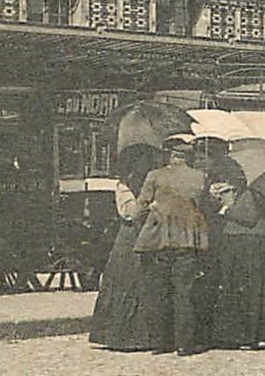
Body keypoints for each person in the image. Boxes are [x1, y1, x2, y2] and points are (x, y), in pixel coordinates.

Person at [207, 139, 265, 350]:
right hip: (261, 243)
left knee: (245, 292)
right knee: (261, 293)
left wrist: (226, 207)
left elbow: (246, 217)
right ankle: (263, 334)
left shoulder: (252, 194)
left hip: (245, 243)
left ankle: (244, 336)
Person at [134, 134, 214, 356]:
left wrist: (142, 220)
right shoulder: (200, 177)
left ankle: (159, 343)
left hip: (158, 240)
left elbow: (140, 207)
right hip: (188, 241)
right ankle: (184, 344)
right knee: (184, 293)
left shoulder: (155, 176)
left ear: (171, 155)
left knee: (158, 291)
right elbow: (206, 207)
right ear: (188, 158)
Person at [89, 144, 164, 350]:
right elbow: (130, 212)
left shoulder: (153, 183)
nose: (145, 166)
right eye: (142, 161)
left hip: (149, 234)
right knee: (126, 280)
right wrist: (149, 205)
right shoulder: (124, 186)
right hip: (130, 236)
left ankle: (146, 336)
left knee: (148, 281)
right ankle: (122, 336)